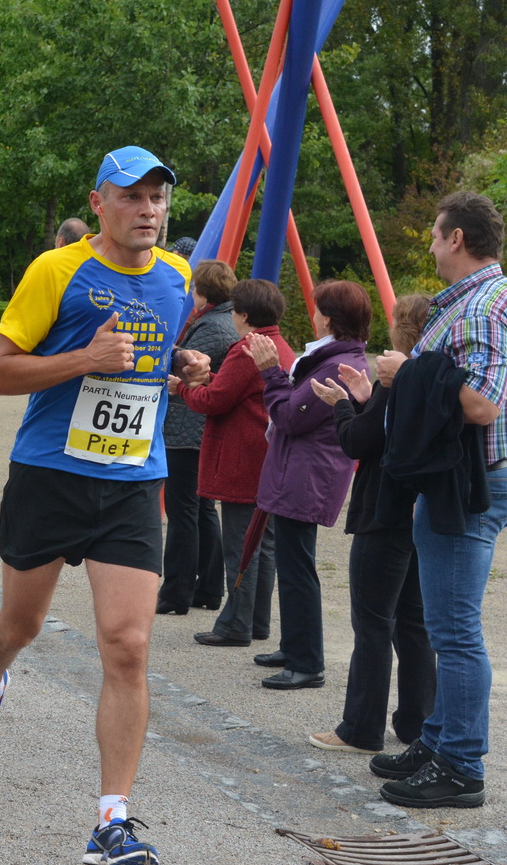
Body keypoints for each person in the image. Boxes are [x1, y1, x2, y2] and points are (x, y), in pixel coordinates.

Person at [0, 146, 214, 865]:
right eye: (134, 197)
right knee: (20, 626)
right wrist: (83, 360)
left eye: (160, 197)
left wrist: (179, 368)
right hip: (49, 475)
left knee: (128, 645)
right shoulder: (56, 269)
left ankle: (111, 821)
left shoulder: (177, 278)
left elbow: (145, 364)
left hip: (133, 480)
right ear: (99, 203)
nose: (150, 210)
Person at [373, 191, 507, 809]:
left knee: (453, 629)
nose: (429, 244)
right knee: (442, 621)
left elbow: (481, 402)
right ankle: (437, 741)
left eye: (433, 234)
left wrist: (411, 374)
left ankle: (460, 764)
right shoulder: (475, 302)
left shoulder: (480, 307)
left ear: (456, 239)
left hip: (466, 485)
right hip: (460, 479)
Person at [307, 294, 434, 752]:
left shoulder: (395, 373)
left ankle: (360, 728)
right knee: (414, 622)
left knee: (374, 621)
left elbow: (359, 442)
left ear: (403, 326)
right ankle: (417, 722)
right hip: (420, 510)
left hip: (383, 510)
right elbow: (389, 431)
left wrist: (342, 405)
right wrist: (364, 399)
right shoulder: (432, 375)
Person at [246, 280, 371, 689]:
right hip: (302, 471)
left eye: (317, 309)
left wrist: (270, 373)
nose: (312, 314)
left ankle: (307, 662)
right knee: (293, 562)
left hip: (307, 474)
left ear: (329, 319)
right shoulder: (333, 358)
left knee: (298, 567)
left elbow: (291, 417)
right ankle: (295, 645)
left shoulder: (336, 364)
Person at [176, 279, 294, 648]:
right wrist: (209, 382)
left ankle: (236, 623)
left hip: (243, 457)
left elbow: (216, 401)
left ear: (243, 314)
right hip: (268, 455)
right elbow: (236, 390)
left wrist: (183, 388)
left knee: (241, 544)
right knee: (264, 542)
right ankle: (256, 620)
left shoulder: (248, 348)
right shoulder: (279, 345)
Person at [0, 216, 91, 539]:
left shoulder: (49, 270)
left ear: (59, 242)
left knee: (31, 448)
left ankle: (11, 520)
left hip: (49, 398)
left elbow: (7, 361)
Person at [157, 260, 236, 614]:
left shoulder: (208, 327)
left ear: (202, 292)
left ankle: (176, 591)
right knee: (203, 510)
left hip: (187, 428)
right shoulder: (224, 321)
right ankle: (208, 588)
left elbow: (188, 373)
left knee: (183, 511)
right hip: (201, 429)